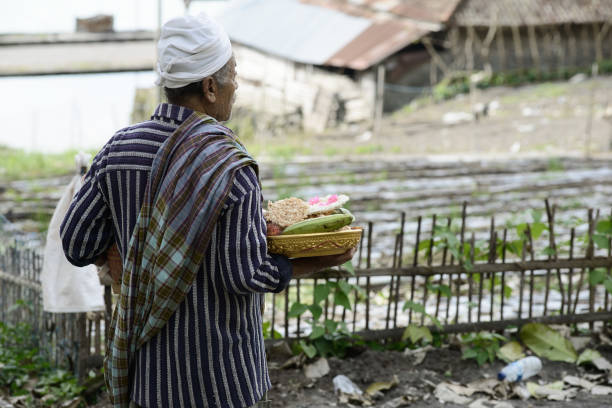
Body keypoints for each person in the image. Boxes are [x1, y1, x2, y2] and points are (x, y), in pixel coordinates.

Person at [60, 13, 355, 408]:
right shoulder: (229, 164)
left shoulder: (119, 150)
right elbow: (244, 274)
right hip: (223, 380)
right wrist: (319, 260)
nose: (238, 84)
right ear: (210, 87)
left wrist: (127, 250)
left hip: (150, 379)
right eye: (233, 73)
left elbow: (77, 243)